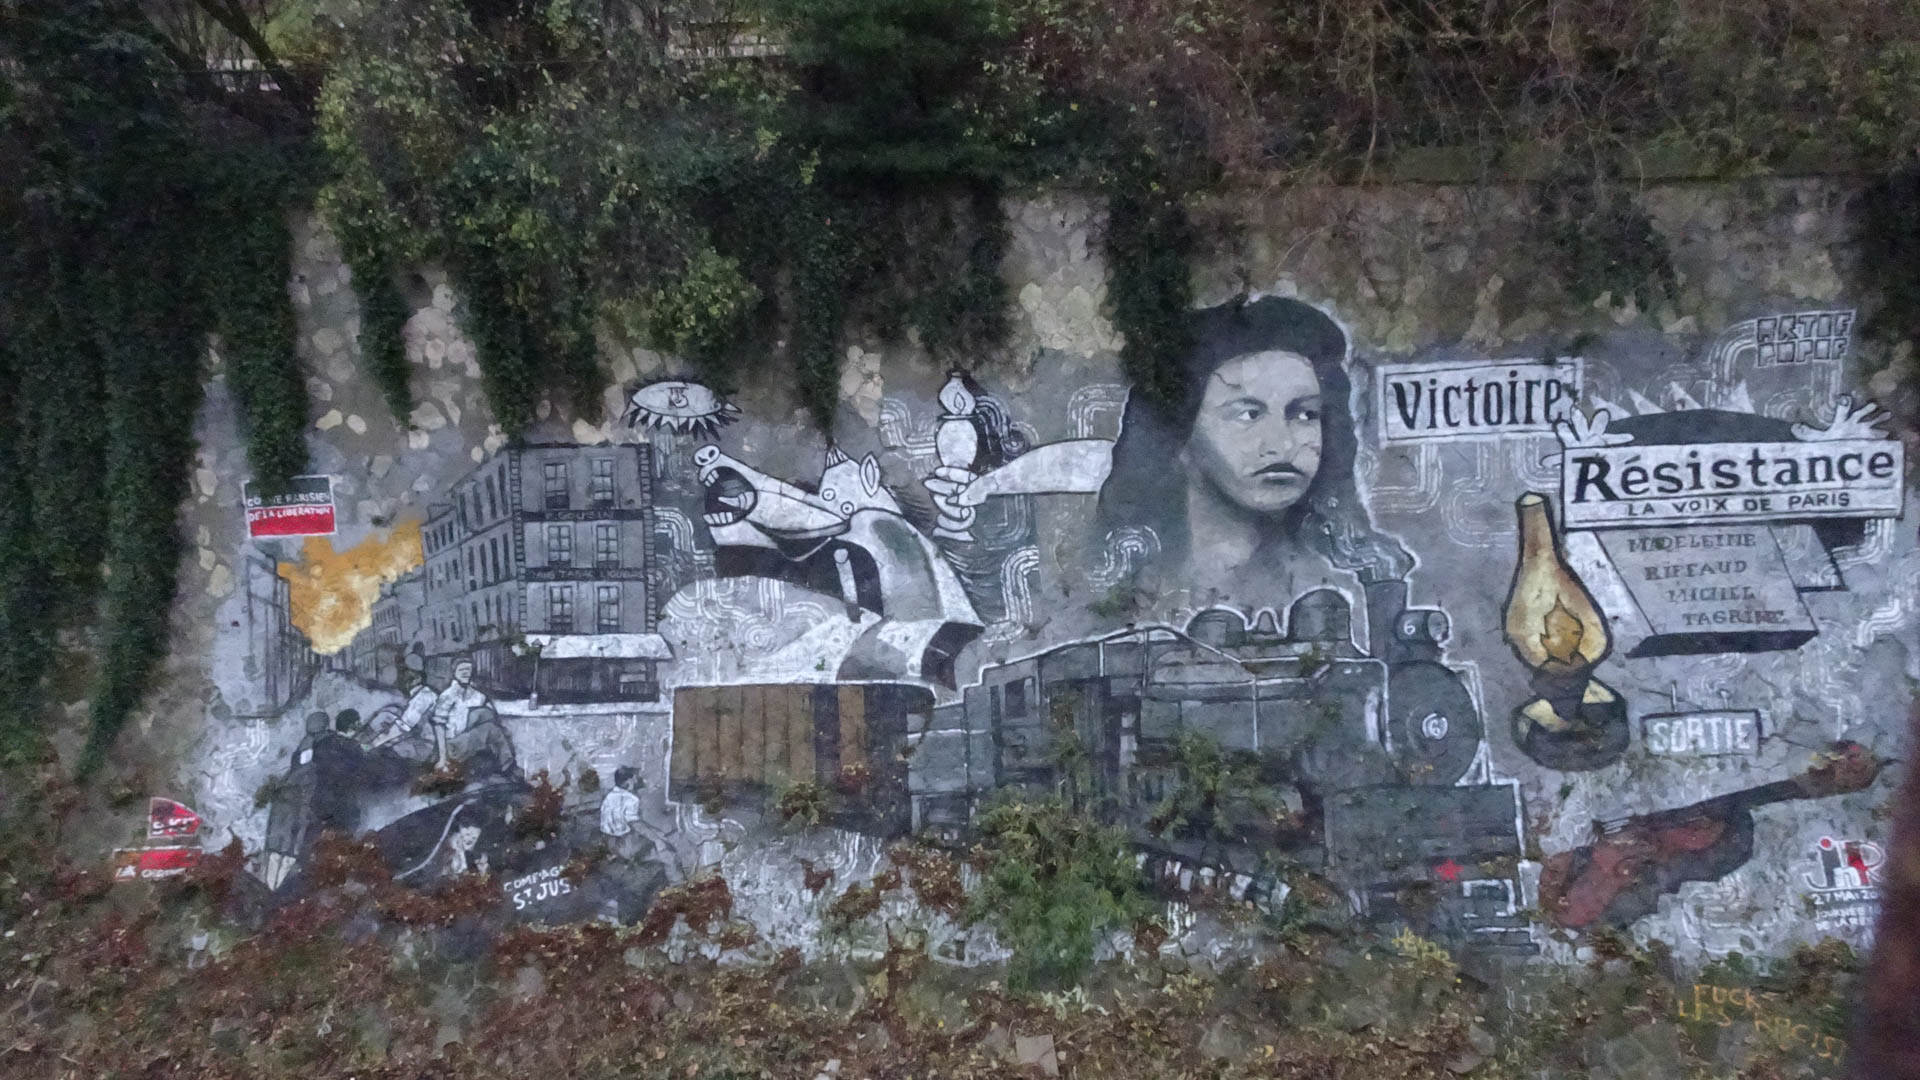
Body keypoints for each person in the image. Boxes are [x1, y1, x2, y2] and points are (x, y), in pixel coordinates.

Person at [1094, 295, 1412, 603]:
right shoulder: (1131, 592)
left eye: (1305, 414)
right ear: (1179, 438)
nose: (1282, 444)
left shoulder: (1355, 588)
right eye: (1248, 414)